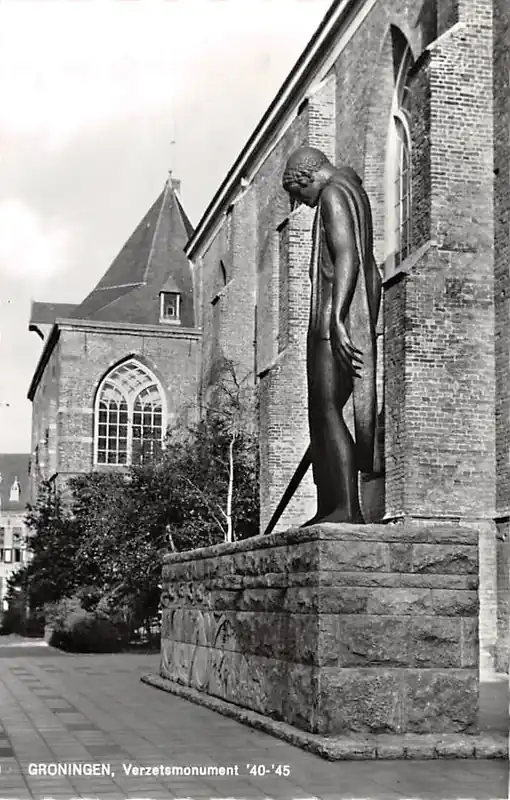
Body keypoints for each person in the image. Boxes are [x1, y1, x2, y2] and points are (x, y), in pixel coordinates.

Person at [282, 146, 381, 524]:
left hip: (329, 323)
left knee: (326, 409)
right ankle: (330, 506)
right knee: (324, 412)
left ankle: (346, 508)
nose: (301, 203)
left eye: (299, 194)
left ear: (306, 178)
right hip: (341, 319)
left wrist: (338, 318)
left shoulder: (332, 194)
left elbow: (347, 256)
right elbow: (369, 268)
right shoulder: (354, 191)